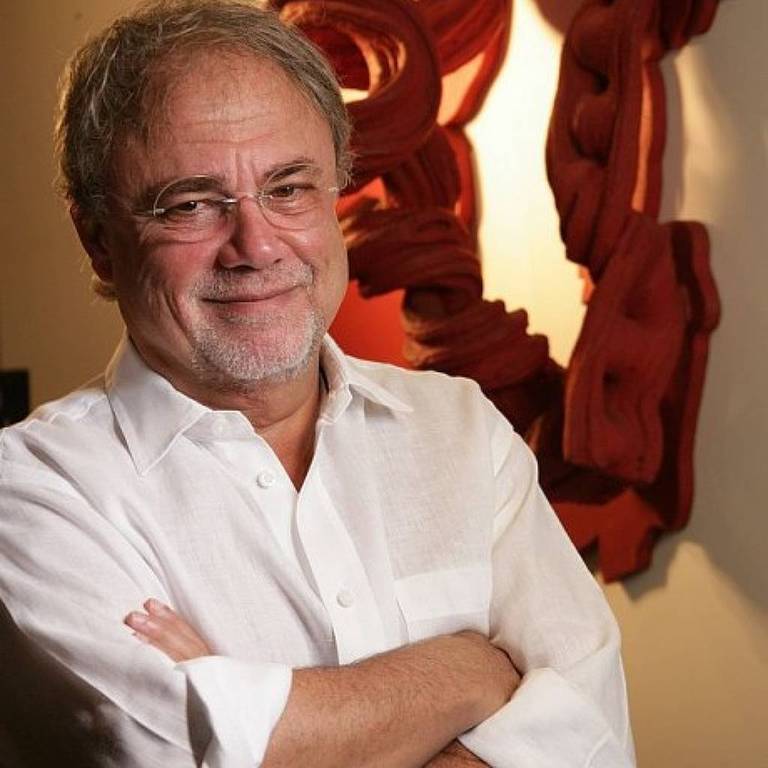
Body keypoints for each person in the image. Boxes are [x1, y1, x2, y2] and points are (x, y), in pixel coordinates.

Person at [0, 1, 635, 766]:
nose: (256, 245)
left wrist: (261, 722)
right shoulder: (33, 489)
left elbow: (593, 740)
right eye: (193, 203)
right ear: (99, 240)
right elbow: (161, 752)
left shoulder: (460, 429)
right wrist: (467, 672)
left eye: (289, 188)